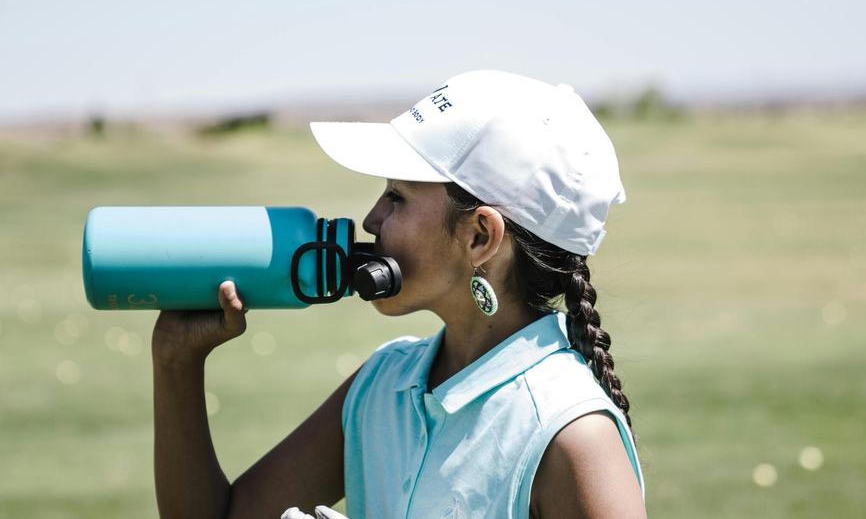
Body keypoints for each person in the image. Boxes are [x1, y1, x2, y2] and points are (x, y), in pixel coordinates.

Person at [152, 70, 647, 519]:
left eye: (397, 197)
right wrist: (176, 362)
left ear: (479, 237)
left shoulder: (572, 433)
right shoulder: (382, 386)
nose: (370, 220)